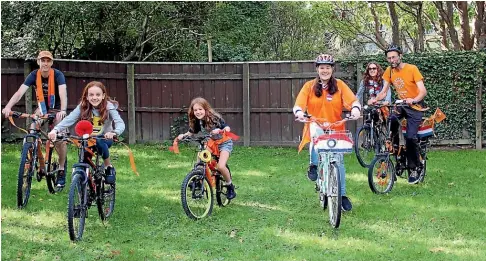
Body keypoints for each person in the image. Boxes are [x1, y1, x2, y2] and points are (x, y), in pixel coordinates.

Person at [293, 54, 361, 211]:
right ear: (317, 69)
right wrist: (299, 112)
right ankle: (314, 165)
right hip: (315, 124)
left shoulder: (340, 85)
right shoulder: (309, 86)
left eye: (328, 67)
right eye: (322, 67)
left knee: (339, 162)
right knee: (314, 135)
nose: (325, 70)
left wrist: (356, 109)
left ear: (332, 69)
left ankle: (342, 195)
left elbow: (353, 101)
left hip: (335, 127)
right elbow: (299, 104)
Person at [2, 50, 69, 188]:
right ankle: (33, 160)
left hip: (56, 109)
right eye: (42, 60)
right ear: (38, 62)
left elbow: (63, 93)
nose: (45, 63)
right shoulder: (33, 75)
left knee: (59, 138)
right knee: (32, 129)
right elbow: (20, 92)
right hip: (43, 109)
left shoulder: (58, 75)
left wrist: (62, 110)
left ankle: (61, 169)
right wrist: (8, 107)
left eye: (48, 61)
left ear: (51, 62)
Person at [368, 44, 428, 184]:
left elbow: (423, 91)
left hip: (415, 106)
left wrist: (414, 99)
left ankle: (415, 168)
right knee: (391, 120)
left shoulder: (412, 69)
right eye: (389, 58)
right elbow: (384, 91)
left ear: (400, 56)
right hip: (401, 105)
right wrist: (375, 99)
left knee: (411, 137)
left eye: (394, 57)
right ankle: (398, 154)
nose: (391, 60)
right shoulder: (389, 71)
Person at [48, 81, 125, 185]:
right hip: (87, 139)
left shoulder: (109, 107)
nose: (94, 97)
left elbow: (120, 123)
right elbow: (69, 119)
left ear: (103, 96)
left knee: (99, 142)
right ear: (87, 97)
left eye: (98, 95)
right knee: (84, 159)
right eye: (91, 95)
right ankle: (84, 189)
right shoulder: (83, 106)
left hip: (104, 139)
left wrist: (114, 132)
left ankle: (108, 167)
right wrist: (55, 130)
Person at [177, 97, 237, 200]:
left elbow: (227, 128)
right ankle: (198, 180)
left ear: (205, 109)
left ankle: (230, 186)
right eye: (195, 110)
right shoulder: (196, 121)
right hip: (211, 143)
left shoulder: (214, 117)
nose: (198, 112)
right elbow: (191, 132)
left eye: (200, 109)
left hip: (224, 143)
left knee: (221, 166)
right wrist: (183, 135)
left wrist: (219, 130)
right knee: (200, 160)